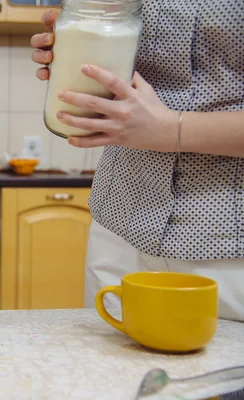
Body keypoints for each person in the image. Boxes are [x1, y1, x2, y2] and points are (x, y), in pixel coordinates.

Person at [31, 3, 244, 321]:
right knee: (108, 368)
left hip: (225, 242)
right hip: (119, 224)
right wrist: (74, 38)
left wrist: (171, 130)